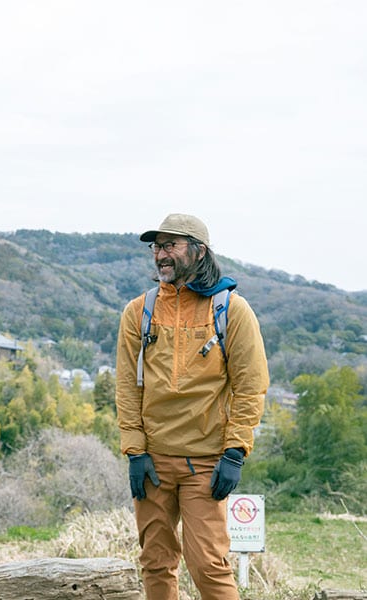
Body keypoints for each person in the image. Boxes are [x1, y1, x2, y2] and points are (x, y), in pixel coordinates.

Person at [115, 213, 269, 600]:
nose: (161, 255)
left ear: (198, 251)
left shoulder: (232, 310)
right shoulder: (139, 311)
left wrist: (235, 452)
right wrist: (135, 450)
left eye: (171, 245)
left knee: (209, 566)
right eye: (157, 246)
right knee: (155, 561)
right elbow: (126, 388)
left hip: (206, 462)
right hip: (153, 462)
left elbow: (251, 387)